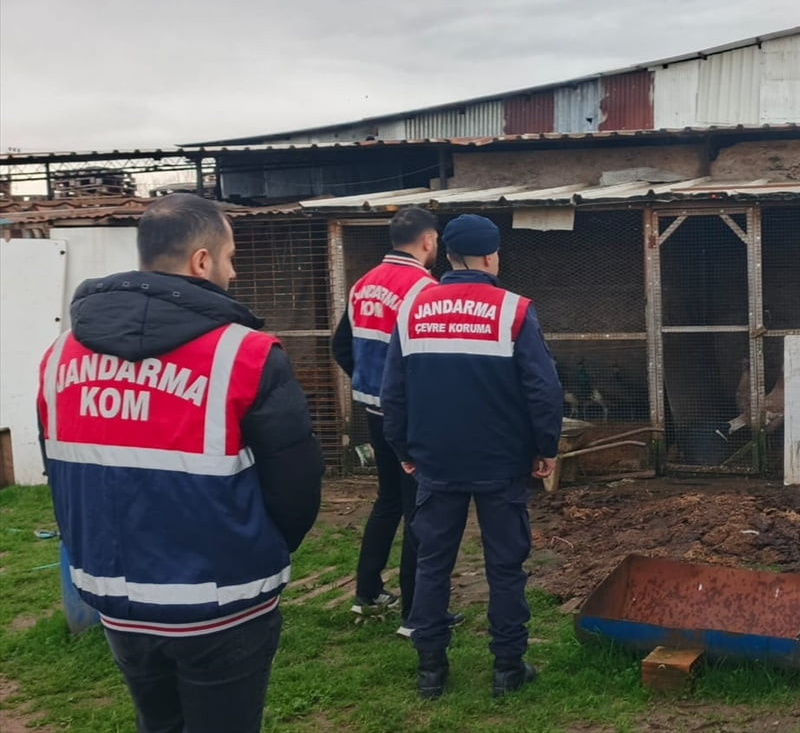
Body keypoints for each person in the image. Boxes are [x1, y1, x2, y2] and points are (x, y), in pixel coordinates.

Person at [36, 194, 323, 733]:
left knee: (157, 722)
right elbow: (297, 486)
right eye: (231, 257)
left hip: (117, 599)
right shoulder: (247, 354)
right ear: (201, 262)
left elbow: (60, 472)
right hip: (224, 600)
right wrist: (260, 551)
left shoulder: (60, 355)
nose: (233, 272)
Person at [380, 213, 563, 699]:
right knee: (505, 566)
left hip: (435, 463)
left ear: (449, 256)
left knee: (432, 564)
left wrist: (402, 447)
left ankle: (431, 671)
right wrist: (545, 448)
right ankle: (507, 668)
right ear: (489, 257)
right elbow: (542, 389)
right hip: (501, 463)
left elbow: (392, 391)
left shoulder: (412, 310)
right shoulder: (515, 310)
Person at [331, 206, 460, 636]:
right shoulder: (425, 288)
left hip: (373, 409)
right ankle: (416, 612)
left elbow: (340, 346)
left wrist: (369, 385)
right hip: (411, 417)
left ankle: (367, 593)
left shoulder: (362, 284)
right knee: (418, 508)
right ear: (427, 241)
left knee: (388, 501)